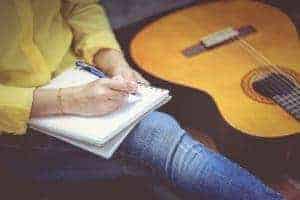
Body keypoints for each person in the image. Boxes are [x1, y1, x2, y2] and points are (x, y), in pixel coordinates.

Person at [0, 0, 283, 199]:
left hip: (82, 79)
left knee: (163, 143)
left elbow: (79, 6)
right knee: (165, 149)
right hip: (11, 132)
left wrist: (116, 64)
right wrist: (67, 100)